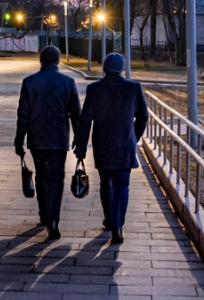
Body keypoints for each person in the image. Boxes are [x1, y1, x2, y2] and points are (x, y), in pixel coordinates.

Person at [73, 53, 148, 244]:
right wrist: (134, 136)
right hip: (125, 146)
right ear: (122, 69)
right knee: (123, 185)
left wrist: (80, 148)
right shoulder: (133, 88)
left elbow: (85, 120)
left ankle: (110, 220)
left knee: (106, 185)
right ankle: (118, 226)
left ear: (104, 69)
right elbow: (143, 117)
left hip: (103, 146)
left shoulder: (95, 89)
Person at [14, 46, 81, 241]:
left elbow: (23, 114)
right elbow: (76, 114)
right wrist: (79, 138)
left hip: (37, 138)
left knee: (42, 177)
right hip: (59, 139)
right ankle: (54, 220)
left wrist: (20, 139)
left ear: (41, 60)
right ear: (58, 61)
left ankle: (44, 214)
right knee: (57, 179)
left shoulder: (30, 82)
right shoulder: (68, 82)